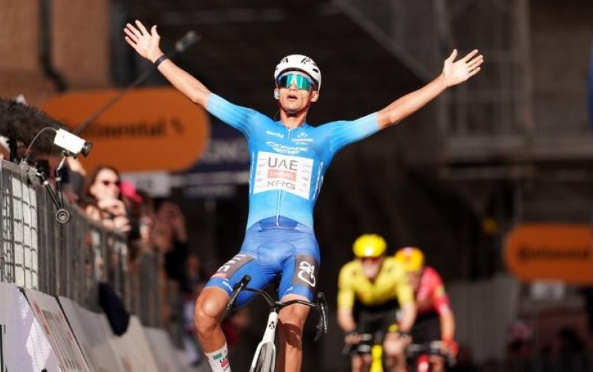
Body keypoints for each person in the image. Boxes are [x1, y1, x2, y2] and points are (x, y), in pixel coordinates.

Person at [124, 20, 483, 372]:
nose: (293, 87)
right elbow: (199, 95)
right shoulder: (256, 125)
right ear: (276, 92)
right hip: (256, 247)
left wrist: (442, 81)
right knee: (205, 313)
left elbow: (389, 116)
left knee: (291, 322)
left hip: (299, 246)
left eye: (303, 83)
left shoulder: (326, 136)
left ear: (314, 94)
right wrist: (157, 56)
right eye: (286, 81)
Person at [337, 234, 417, 372]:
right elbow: (344, 310)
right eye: (363, 259)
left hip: (389, 309)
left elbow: (408, 306)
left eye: (374, 259)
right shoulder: (348, 272)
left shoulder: (396, 269)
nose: (369, 263)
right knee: (359, 357)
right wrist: (350, 330)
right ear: (356, 259)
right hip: (364, 311)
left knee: (394, 350)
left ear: (382, 257)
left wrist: (404, 329)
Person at [393, 247, 458, 372]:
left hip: (429, 320)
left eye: (414, 274)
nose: (410, 279)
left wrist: (447, 340)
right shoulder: (393, 283)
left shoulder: (431, 278)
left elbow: (445, 313)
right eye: (406, 275)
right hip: (404, 322)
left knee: (437, 359)